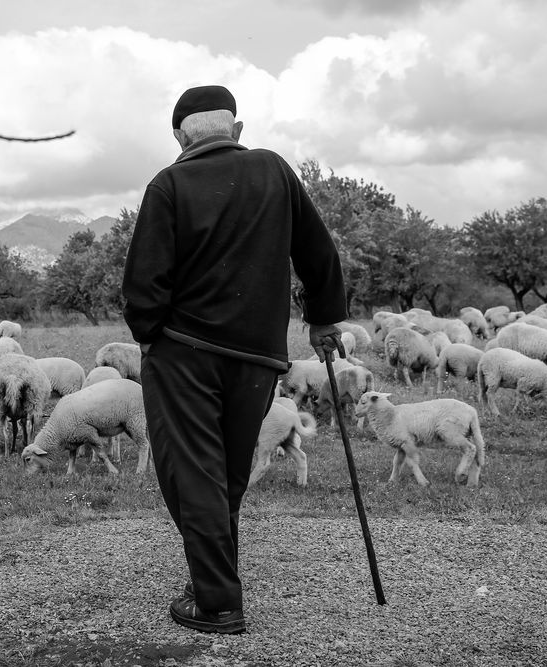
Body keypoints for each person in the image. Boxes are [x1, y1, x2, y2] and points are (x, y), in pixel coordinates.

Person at [121, 84, 348, 634]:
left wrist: (149, 335)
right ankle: (210, 578)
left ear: (178, 137)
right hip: (257, 357)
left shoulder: (169, 184)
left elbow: (143, 281)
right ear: (236, 130)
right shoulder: (273, 169)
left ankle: (218, 603)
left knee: (191, 473)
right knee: (227, 472)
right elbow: (318, 252)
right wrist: (323, 318)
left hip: (185, 355)